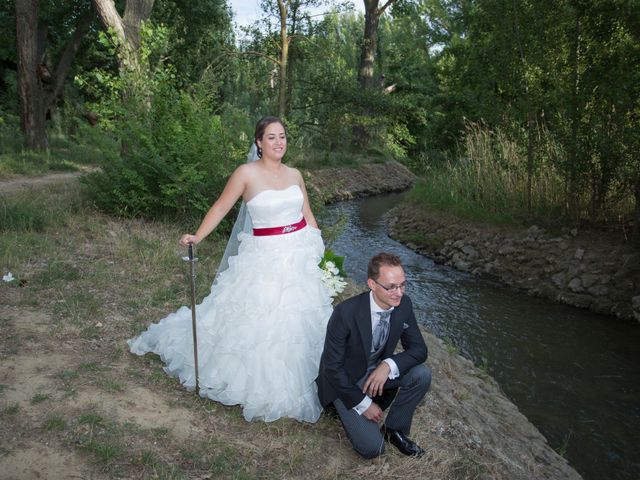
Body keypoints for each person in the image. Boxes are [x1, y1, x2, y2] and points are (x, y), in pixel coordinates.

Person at [128, 116, 333, 423]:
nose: (279, 142)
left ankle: (305, 376)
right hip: (263, 257)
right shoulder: (246, 174)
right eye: (272, 137)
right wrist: (198, 235)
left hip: (298, 254)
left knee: (297, 320)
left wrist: (323, 258)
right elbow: (221, 207)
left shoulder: (295, 174)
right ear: (259, 143)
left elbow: (308, 216)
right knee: (262, 321)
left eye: (283, 137)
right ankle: (257, 381)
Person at [316, 252, 431, 458]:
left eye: (403, 285)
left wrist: (387, 365)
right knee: (373, 450)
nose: (399, 293)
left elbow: (419, 350)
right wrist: (364, 403)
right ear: (372, 284)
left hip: (375, 374)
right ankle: (351, 411)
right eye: (391, 287)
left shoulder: (403, 305)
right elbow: (332, 367)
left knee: (421, 374)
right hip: (346, 383)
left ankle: (394, 430)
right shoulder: (346, 313)